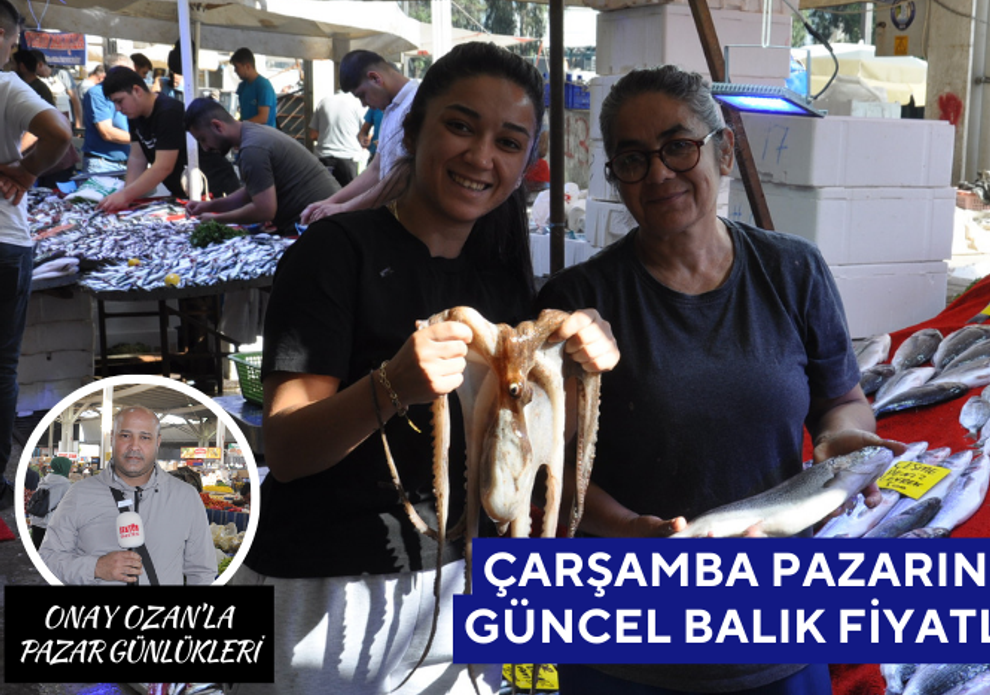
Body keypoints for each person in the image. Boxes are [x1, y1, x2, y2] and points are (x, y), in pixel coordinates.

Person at [228, 41, 618, 695]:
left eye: (508, 142)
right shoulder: (334, 252)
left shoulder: (502, 283)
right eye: (461, 126)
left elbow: (523, 448)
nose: (481, 156)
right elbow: (286, 449)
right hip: (325, 597)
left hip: (457, 592)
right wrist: (391, 386)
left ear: (527, 161)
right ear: (411, 132)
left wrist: (579, 369)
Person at [536, 65, 905, 695]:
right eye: (633, 159)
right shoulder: (578, 301)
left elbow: (841, 399)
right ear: (616, 177)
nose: (659, 174)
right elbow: (549, 467)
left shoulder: (793, 269)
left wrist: (840, 437)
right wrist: (631, 530)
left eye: (679, 146)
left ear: (724, 151)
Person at [0, 0, 72, 509]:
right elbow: (60, 134)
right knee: (2, 366)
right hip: (4, 240)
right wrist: (26, 171)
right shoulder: (5, 86)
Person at [39, 406, 218, 585]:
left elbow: (202, 571)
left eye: (145, 437)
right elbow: (47, 559)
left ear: (158, 442)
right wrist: (95, 567)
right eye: (125, 436)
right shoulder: (79, 494)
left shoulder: (185, 497)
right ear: (112, 438)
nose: (134, 446)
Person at [184, 98, 341, 235]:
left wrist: (217, 219)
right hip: (323, 221)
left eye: (203, 139)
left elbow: (264, 210)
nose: (205, 148)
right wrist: (208, 206)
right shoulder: (251, 133)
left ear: (217, 126)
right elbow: (253, 191)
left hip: (323, 226)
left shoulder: (252, 149)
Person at [298, 50, 418, 223]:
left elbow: (401, 179)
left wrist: (343, 208)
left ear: (375, 78)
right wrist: (330, 202)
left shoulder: (418, 104)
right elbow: (377, 168)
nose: (363, 104)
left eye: (362, 95)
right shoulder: (392, 108)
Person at [97, 66, 239, 212]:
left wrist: (125, 196)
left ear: (137, 90)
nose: (118, 108)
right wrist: (126, 197)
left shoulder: (168, 112)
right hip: (185, 195)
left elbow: (164, 166)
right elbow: (137, 158)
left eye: (120, 101)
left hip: (216, 191)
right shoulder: (134, 115)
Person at [81, 53, 132, 174]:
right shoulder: (97, 93)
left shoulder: (129, 92)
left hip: (126, 163)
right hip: (103, 165)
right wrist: (142, 139)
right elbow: (107, 133)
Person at [309, 90, 366, 186]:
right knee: (349, 194)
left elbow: (313, 135)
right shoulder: (358, 103)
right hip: (348, 158)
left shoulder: (324, 101)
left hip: (323, 158)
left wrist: (328, 137)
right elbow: (367, 135)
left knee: (325, 193)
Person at [29, 455, 73, 548]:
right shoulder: (65, 484)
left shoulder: (45, 480)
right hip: (52, 524)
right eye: (70, 467)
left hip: (36, 520)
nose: (71, 469)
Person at [230, 48, 276, 127]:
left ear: (247, 66)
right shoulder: (242, 86)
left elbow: (262, 118)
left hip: (263, 133)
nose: (235, 71)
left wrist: (240, 125)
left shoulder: (263, 86)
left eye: (237, 67)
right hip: (247, 131)